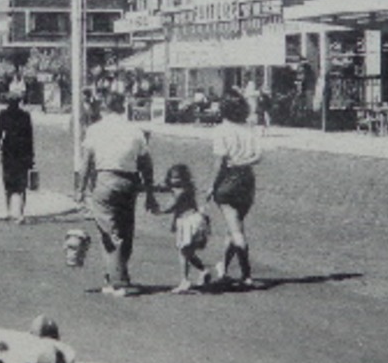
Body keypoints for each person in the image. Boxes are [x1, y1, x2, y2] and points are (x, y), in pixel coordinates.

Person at [78, 92, 155, 297]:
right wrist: (150, 192)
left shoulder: (94, 130)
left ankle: (118, 281)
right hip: (129, 182)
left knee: (109, 233)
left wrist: (79, 190)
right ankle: (115, 275)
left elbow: (86, 162)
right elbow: (146, 164)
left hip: (105, 181)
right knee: (125, 229)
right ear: (123, 107)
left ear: (104, 106)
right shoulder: (135, 130)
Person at [210, 95, 262, 287]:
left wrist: (211, 186)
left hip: (228, 180)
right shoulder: (249, 131)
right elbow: (258, 157)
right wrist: (243, 162)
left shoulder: (221, 131)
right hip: (247, 180)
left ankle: (246, 274)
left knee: (237, 231)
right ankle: (223, 267)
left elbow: (219, 163)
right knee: (234, 226)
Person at [150, 163, 216, 293]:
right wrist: (156, 188)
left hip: (188, 222)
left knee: (183, 252)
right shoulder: (184, 188)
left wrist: (157, 210)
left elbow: (171, 207)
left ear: (184, 178)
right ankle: (203, 270)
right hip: (190, 221)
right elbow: (164, 188)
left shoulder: (182, 191)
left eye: (178, 178)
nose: (175, 180)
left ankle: (184, 280)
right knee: (188, 252)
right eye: (172, 178)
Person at [0, 92, 35, 223]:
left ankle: (9, 211)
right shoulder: (25, 116)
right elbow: (29, 137)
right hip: (22, 152)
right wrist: (31, 157)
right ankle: (20, 213)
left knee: (9, 184)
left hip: (9, 151)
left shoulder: (3, 114)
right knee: (21, 185)